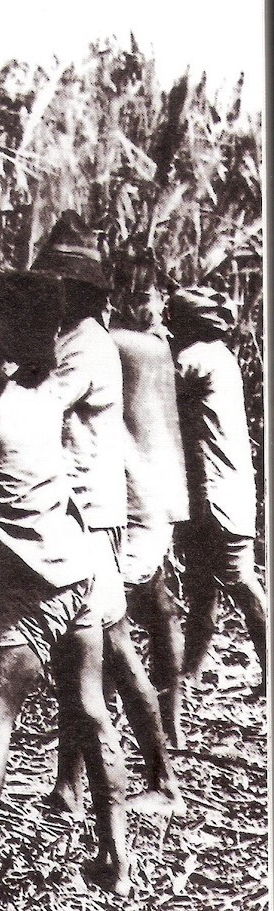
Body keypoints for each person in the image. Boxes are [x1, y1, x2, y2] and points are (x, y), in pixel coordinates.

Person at [0, 271, 131, 896]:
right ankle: (117, 858)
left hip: (37, 589)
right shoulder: (39, 394)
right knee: (89, 712)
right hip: (80, 572)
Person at [32, 214, 179, 818]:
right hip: (85, 512)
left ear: (76, 290)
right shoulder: (75, 338)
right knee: (85, 655)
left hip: (91, 517)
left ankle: (162, 779)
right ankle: (70, 785)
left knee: (110, 649)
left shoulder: (86, 344)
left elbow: (40, 407)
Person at [167, 286, 267, 691]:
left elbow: (154, 383)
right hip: (221, 487)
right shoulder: (220, 356)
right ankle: (191, 669)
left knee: (238, 580)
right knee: (203, 585)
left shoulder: (194, 359)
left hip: (216, 490)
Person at [111, 301, 192, 769]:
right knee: (159, 611)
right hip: (161, 489)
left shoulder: (114, 344)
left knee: (110, 622)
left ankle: (118, 739)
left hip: (131, 494)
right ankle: (171, 719)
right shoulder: (156, 348)